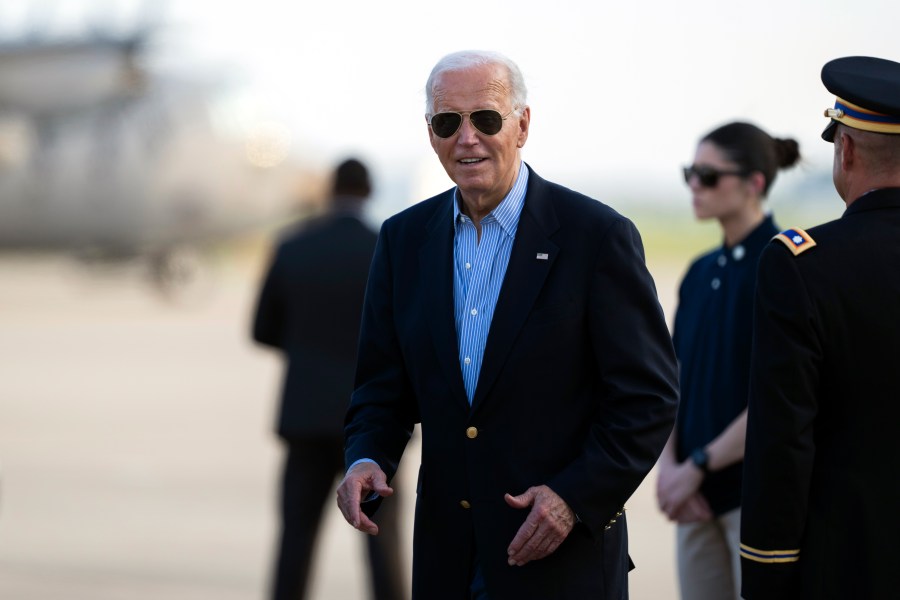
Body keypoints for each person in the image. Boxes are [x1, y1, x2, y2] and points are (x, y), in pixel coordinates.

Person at [334, 49, 679, 600]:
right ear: (430, 133)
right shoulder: (402, 241)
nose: (467, 138)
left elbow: (649, 397)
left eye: (486, 119)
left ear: (522, 125)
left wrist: (572, 497)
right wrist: (368, 457)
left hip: (556, 559)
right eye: (449, 122)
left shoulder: (596, 237)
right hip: (448, 557)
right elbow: (382, 386)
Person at [740, 56, 900, 599]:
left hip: (849, 565)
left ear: (847, 149)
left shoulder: (803, 263)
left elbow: (782, 442)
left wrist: (766, 570)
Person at [655, 122, 800, 600]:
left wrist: (697, 463)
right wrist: (672, 468)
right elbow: (673, 378)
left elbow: (779, 396)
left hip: (752, 502)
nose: (695, 185)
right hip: (692, 500)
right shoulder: (699, 273)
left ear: (754, 183)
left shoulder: (783, 268)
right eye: (689, 174)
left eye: (708, 175)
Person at [252, 158, 407, 600]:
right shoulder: (386, 249)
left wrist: (306, 350)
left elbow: (261, 329)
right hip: (376, 424)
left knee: (295, 538)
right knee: (382, 538)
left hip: (304, 416)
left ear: (330, 190)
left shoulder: (293, 245)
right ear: (369, 191)